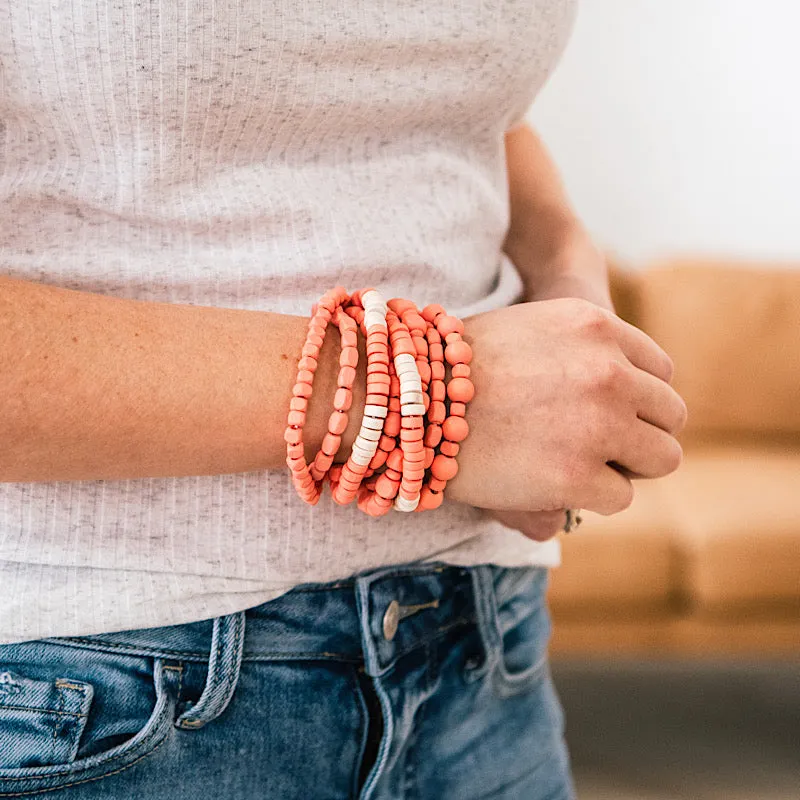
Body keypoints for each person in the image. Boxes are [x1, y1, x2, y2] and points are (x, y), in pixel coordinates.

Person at [0, 0, 686, 797]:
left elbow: (488, 115)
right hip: (101, 684)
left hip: (486, 639)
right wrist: (439, 403)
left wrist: (567, 278)